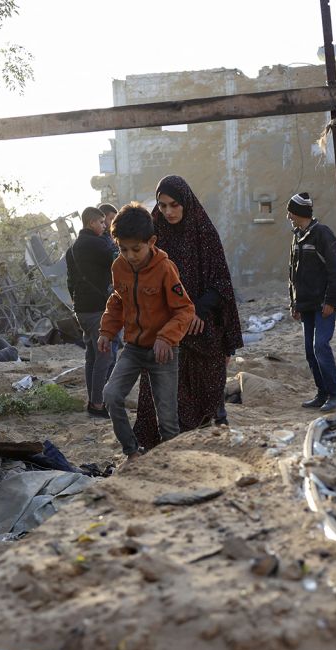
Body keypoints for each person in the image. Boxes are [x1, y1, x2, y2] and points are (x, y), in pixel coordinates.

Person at [133, 175, 244, 448]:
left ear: (186, 203)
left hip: (202, 328)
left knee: (208, 400)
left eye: (174, 205)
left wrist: (196, 311)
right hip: (166, 329)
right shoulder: (153, 238)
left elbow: (221, 282)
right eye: (162, 205)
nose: (168, 212)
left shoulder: (204, 232)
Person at [98, 203, 195, 458]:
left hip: (163, 352)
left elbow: (185, 310)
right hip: (133, 349)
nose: (129, 255)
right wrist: (107, 331)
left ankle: (170, 464)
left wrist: (166, 337)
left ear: (151, 241)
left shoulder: (165, 268)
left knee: (167, 420)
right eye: (123, 249)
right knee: (111, 395)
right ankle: (132, 452)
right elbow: (117, 301)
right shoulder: (119, 266)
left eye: (136, 249)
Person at [286, 192, 336, 412]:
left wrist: (331, 300)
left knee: (320, 346)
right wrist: (294, 302)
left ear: (299, 212)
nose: (289, 216)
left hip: (322, 304)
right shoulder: (297, 235)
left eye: (291, 211)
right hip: (305, 304)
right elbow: (291, 273)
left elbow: (334, 271)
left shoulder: (322, 234)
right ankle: (322, 393)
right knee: (310, 352)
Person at [65, 206, 117, 418]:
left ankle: (93, 400)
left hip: (82, 309)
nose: (105, 227)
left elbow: (70, 281)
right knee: (105, 356)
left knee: (92, 357)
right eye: (102, 223)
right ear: (91, 223)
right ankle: (97, 403)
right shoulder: (97, 244)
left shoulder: (73, 248)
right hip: (97, 308)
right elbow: (118, 259)